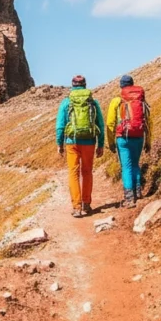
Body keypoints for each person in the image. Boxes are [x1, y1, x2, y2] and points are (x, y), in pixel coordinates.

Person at [55, 75, 105, 217]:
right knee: (87, 172)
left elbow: (60, 126)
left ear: (72, 85)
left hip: (72, 142)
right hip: (89, 141)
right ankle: (87, 204)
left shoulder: (66, 102)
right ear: (85, 85)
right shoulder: (92, 102)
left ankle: (76, 207)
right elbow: (100, 124)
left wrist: (60, 144)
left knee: (73, 173)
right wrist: (100, 144)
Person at [106, 75, 152, 209]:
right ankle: (138, 193)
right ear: (132, 84)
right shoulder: (140, 99)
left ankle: (129, 199)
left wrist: (111, 143)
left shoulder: (117, 100)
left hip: (123, 137)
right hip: (139, 135)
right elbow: (148, 121)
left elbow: (110, 123)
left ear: (121, 87)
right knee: (136, 164)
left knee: (126, 166)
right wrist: (148, 141)